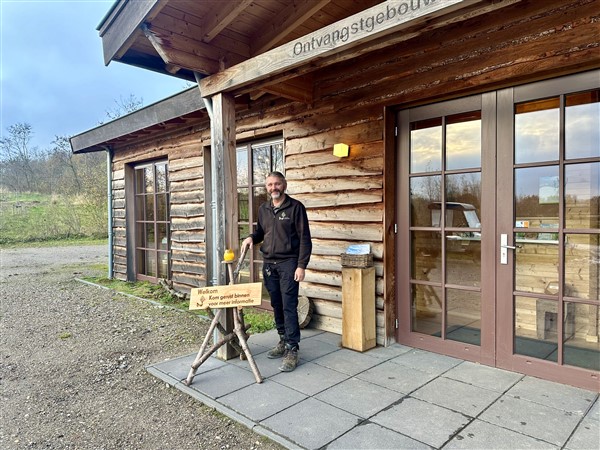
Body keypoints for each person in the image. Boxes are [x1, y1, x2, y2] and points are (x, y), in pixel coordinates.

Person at [241, 171, 312, 372]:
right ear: (267, 187)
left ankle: (292, 348)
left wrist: (301, 265)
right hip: (269, 264)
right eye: (270, 184)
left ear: (285, 185)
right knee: (276, 304)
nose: (274, 188)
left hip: (289, 263)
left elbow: (305, 239)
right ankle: (283, 339)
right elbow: (260, 232)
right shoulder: (264, 209)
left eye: (277, 184)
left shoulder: (296, 208)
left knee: (289, 304)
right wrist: (250, 238)